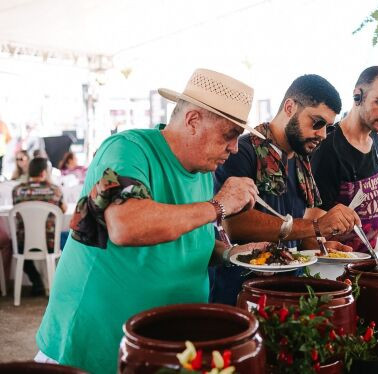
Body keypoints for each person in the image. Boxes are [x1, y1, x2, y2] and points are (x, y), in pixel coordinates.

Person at [35, 69, 267, 373]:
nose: (235, 147)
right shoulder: (128, 149)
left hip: (162, 347)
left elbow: (191, 236)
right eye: (230, 134)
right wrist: (218, 205)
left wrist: (234, 255)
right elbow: (125, 224)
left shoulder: (202, 171)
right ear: (193, 121)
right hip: (95, 344)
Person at [210, 74, 360, 305]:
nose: (322, 134)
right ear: (290, 107)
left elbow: (296, 225)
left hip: (288, 291)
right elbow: (235, 225)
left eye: (327, 127)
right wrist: (316, 226)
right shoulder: (242, 150)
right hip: (243, 293)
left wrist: (318, 245)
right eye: (317, 122)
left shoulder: (301, 159)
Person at [312, 66, 378, 257]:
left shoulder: (377, 141)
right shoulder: (328, 147)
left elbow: (371, 203)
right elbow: (312, 223)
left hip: (368, 260)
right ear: (357, 96)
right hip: (335, 268)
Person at [12, 157, 66, 295]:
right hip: (50, 243)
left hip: (23, 244)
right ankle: (64, 284)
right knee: (71, 237)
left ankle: (37, 281)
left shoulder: (17, 190)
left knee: (14, 243)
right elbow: (63, 210)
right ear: (43, 173)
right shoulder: (55, 190)